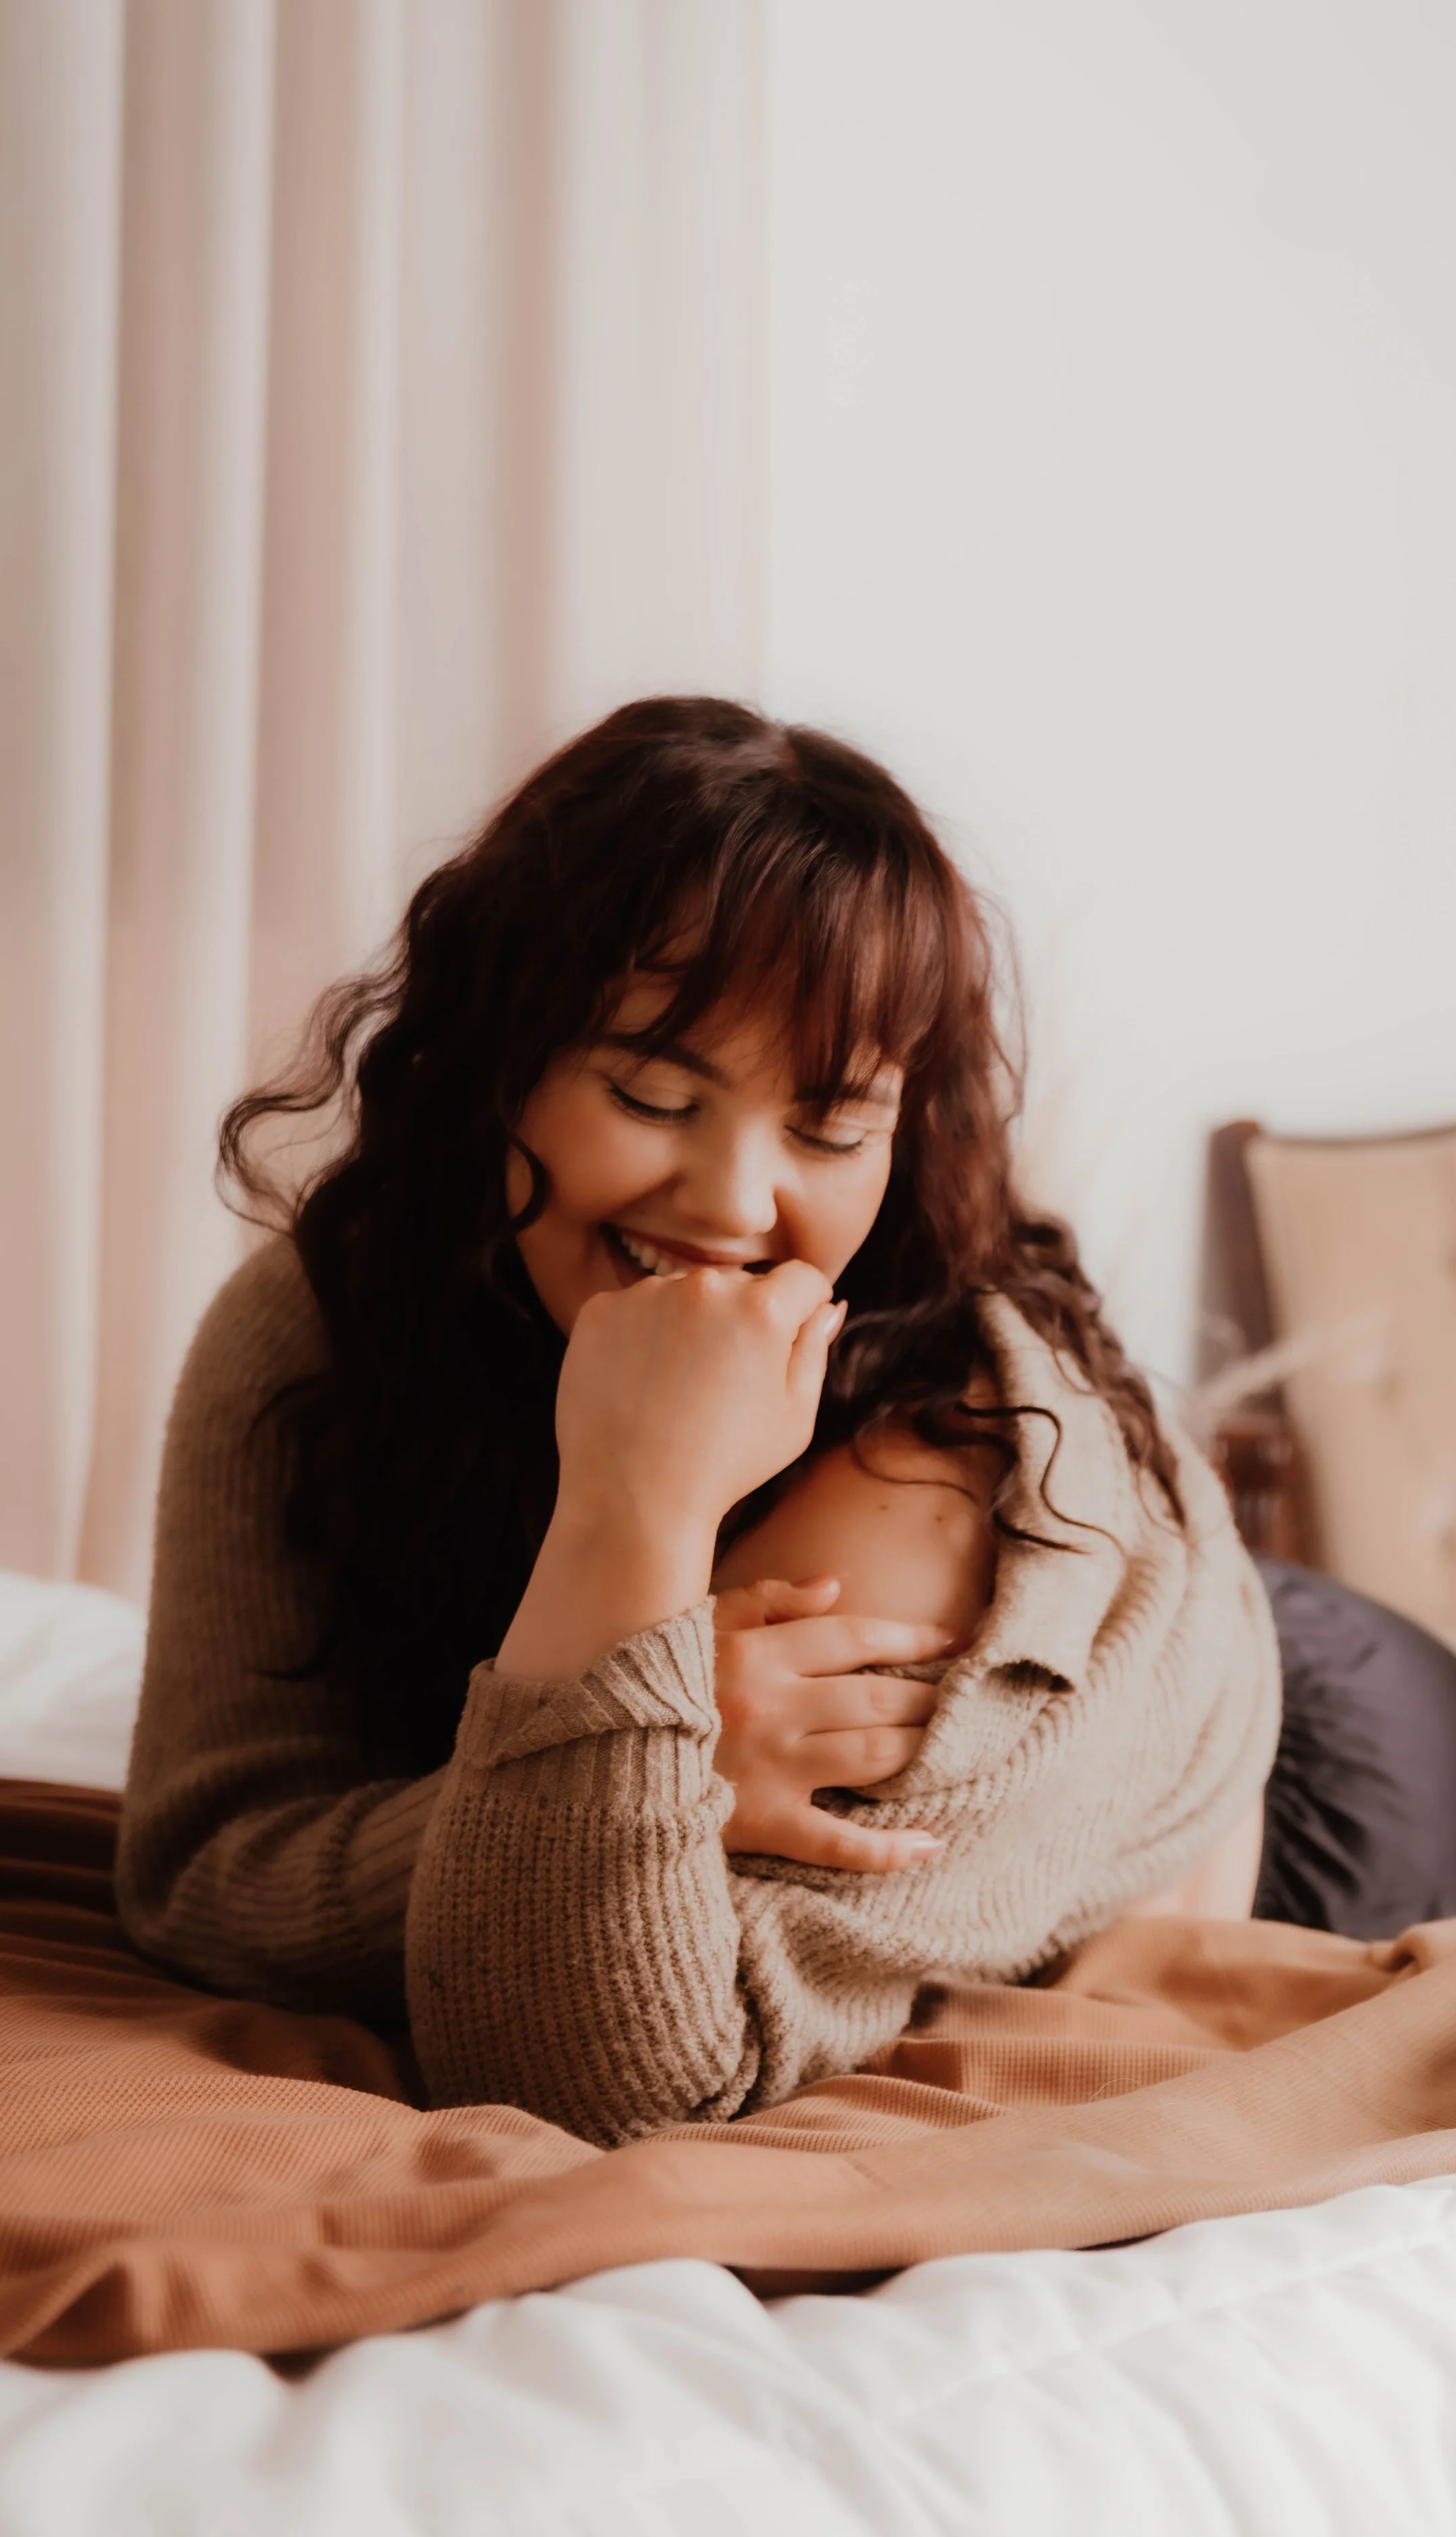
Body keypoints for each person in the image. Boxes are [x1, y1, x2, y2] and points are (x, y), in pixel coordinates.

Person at [116, 697, 1281, 2144]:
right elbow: (204, 1870)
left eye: (828, 1127)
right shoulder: (329, 1319)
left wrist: (639, 1507)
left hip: (1347, 1775)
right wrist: (660, 1751)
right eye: (652, 1091)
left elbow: (593, 2068)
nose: (735, 1206)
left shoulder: (950, 1469)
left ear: (901, 1132)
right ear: (497, 1059)